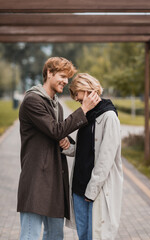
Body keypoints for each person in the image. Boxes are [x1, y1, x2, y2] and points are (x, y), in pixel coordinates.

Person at [17, 57, 100, 240]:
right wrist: (83, 109)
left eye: (68, 78)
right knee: (30, 235)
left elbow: (58, 133)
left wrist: (66, 140)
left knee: (55, 236)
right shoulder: (33, 101)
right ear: (49, 73)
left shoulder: (55, 104)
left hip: (55, 180)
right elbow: (55, 130)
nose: (65, 81)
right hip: (36, 180)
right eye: (62, 76)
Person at [62, 73, 123, 240]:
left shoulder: (109, 116)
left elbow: (106, 159)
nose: (81, 104)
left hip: (96, 190)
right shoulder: (86, 114)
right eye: (79, 101)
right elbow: (84, 150)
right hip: (79, 188)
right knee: (83, 236)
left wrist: (91, 191)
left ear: (91, 91)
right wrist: (67, 146)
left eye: (81, 99)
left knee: (95, 236)